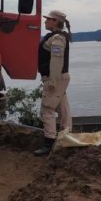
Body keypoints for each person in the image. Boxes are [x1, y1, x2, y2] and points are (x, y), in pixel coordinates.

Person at [34, 9, 72, 157]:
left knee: (47, 108)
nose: (45, 21)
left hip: (56, 78)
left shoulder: (58, 38)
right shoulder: (55, 37)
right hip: (59, 78)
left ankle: (49, 142)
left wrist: (52, 81)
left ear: (55, 21)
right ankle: (66, 136)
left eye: (48, 19)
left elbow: (56, 61)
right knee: (63, 107)